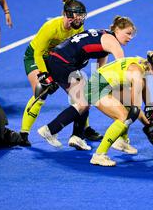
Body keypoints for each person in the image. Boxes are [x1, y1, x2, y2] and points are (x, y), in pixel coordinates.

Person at [37, 16, 137, 152]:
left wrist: (104, 89)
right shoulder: (113, 43)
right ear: (117, 30)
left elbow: (100, 72)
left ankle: (77, 136)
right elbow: (122, 69)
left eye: (132, 35)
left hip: (58, 60)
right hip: (62, 63)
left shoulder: (105, 38)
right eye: (128, 33)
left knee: (86, 97)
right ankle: (50, 130)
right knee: (84, 101)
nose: (130, 38)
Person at [20, 0, 103, 146]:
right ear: (66, 15)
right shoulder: (51, 27)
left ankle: (85, 129)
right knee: (41, 90)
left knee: (81, 90)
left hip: (56, 59)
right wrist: (45, 75)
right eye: (76, 18)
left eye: (81, 18)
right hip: (35, 57)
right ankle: (23, 133)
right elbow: (38, 53)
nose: (79, 21)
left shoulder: (78, 29)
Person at [84, 51, 153, 166]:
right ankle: (99, 155)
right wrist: (150, 128)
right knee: (123, 117)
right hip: (96, 88)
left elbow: (146, 99)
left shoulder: (142, 66)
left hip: (108, 84)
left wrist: (151, 114)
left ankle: (121, 141)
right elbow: (135, 110)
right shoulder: (137, 75)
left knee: (128, 106)